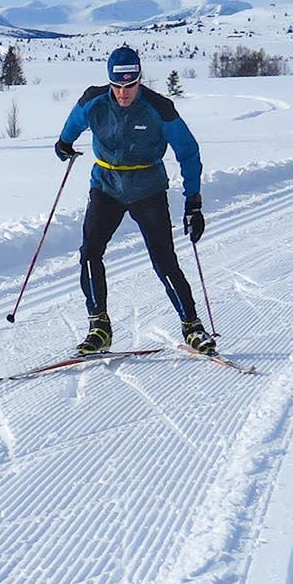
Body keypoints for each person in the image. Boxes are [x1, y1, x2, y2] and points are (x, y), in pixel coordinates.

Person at [54, 45, 215, 355]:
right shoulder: (94, 101)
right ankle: (99, 326)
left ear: (139, 79)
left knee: (164, 260)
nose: (123, 93)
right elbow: (74, 122)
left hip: (147, 189)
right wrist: (64, 143)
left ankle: (192, 327)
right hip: (106, 186)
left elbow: (188, 152)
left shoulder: (160, 108)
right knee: (89, 253)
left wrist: (193, 201)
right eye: (117, 85)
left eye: (130, 85)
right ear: (109, 81)